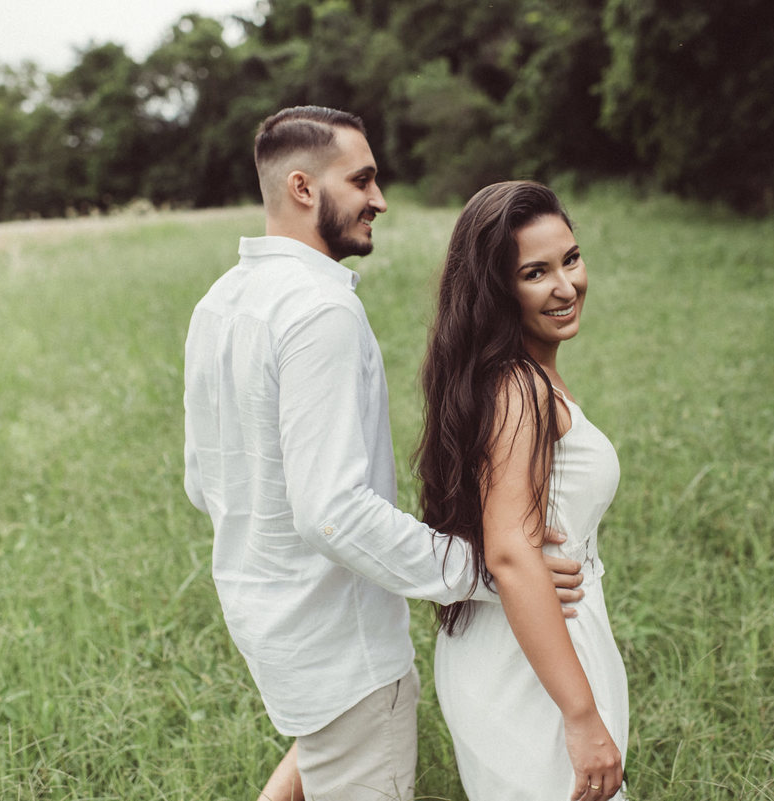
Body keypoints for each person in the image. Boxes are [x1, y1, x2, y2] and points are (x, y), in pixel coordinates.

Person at [183, 108, 584, 801]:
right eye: (362, 179)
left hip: (269, 624)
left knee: (320, 754)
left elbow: (203, 480)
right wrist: (480, 569)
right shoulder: (320, 312)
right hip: (345, 645)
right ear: (304, 188)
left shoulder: (222, 301)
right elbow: (332, 511)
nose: (380, 198)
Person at [415, 181, 629, 800]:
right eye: (536, 273)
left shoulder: (519, 379)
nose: (566, 287)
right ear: (498, 291)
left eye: (571, 259)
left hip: (536, 643)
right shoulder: (520, 389)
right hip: (528, 664)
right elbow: (511, 555)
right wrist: (582, 717)